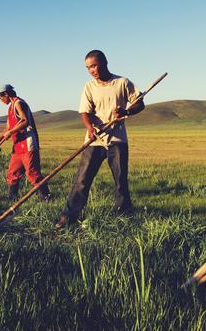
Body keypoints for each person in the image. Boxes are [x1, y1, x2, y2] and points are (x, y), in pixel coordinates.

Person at [56, 50, 145, 228]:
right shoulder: (89, 87)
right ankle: (68, 217)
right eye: (88, 67)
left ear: (104, 62)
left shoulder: (122, 82)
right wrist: (89, 128)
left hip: (117, 140)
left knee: (121, 181)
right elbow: (84, 112)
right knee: (82, 180)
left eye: (94, 66)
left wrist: (125, 111)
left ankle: (124, 216)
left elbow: (139, 103)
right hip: (95, 140)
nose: (91, 70)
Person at [0, 84, 51, 201]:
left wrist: (11, 132)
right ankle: (12, 197)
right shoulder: (10, 108)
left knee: (32, 172)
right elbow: (8, 128)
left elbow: (25, 121)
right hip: (18, 144)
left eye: (0, 97)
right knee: (13, 172)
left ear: (6, 94)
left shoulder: (19, 103)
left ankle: (45, 196)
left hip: (28, 142)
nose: (0, 100)